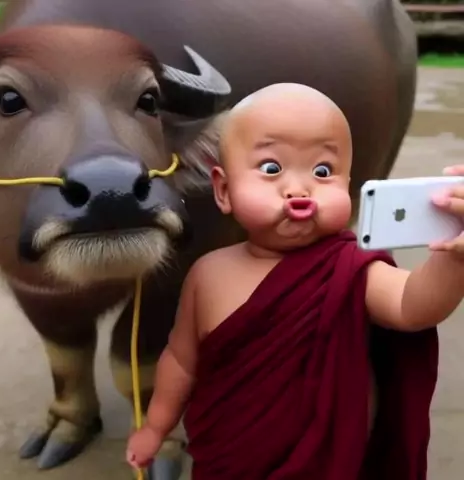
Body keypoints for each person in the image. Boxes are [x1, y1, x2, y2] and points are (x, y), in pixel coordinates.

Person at [126, 83, 464, 479]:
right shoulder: (207, 274)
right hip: (229, 461)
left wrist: (454, 258)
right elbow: (181, 361)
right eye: (271, 168)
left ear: (348, 185)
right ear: (224, 190)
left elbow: (412, 306)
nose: (299, 189)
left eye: (323, 171)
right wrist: (155, 428)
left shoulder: (351, 269)